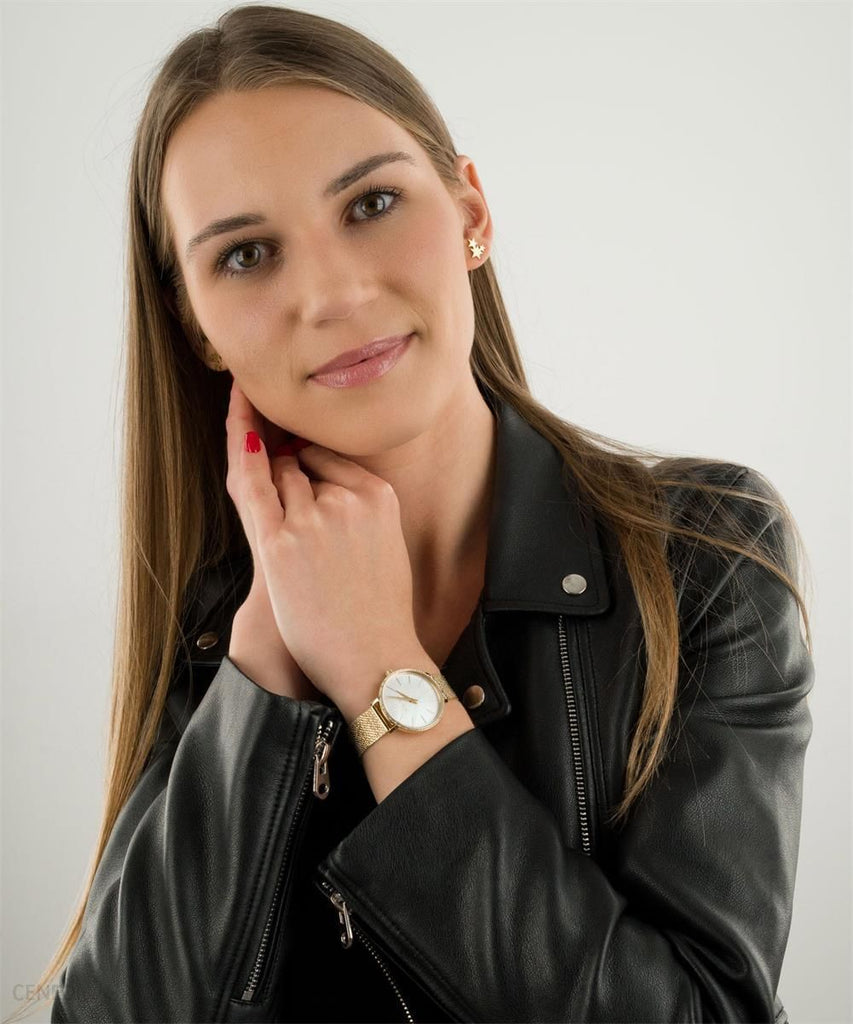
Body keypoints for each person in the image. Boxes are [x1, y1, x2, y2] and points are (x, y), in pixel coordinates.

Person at [11, 4, 813, 1023]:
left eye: (372, 202)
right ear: (198, 327)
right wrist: (266, 656)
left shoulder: (703, 555)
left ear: (471, 210)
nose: (333, 293)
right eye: (246, 255)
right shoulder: (214, 618)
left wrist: (380, 668)